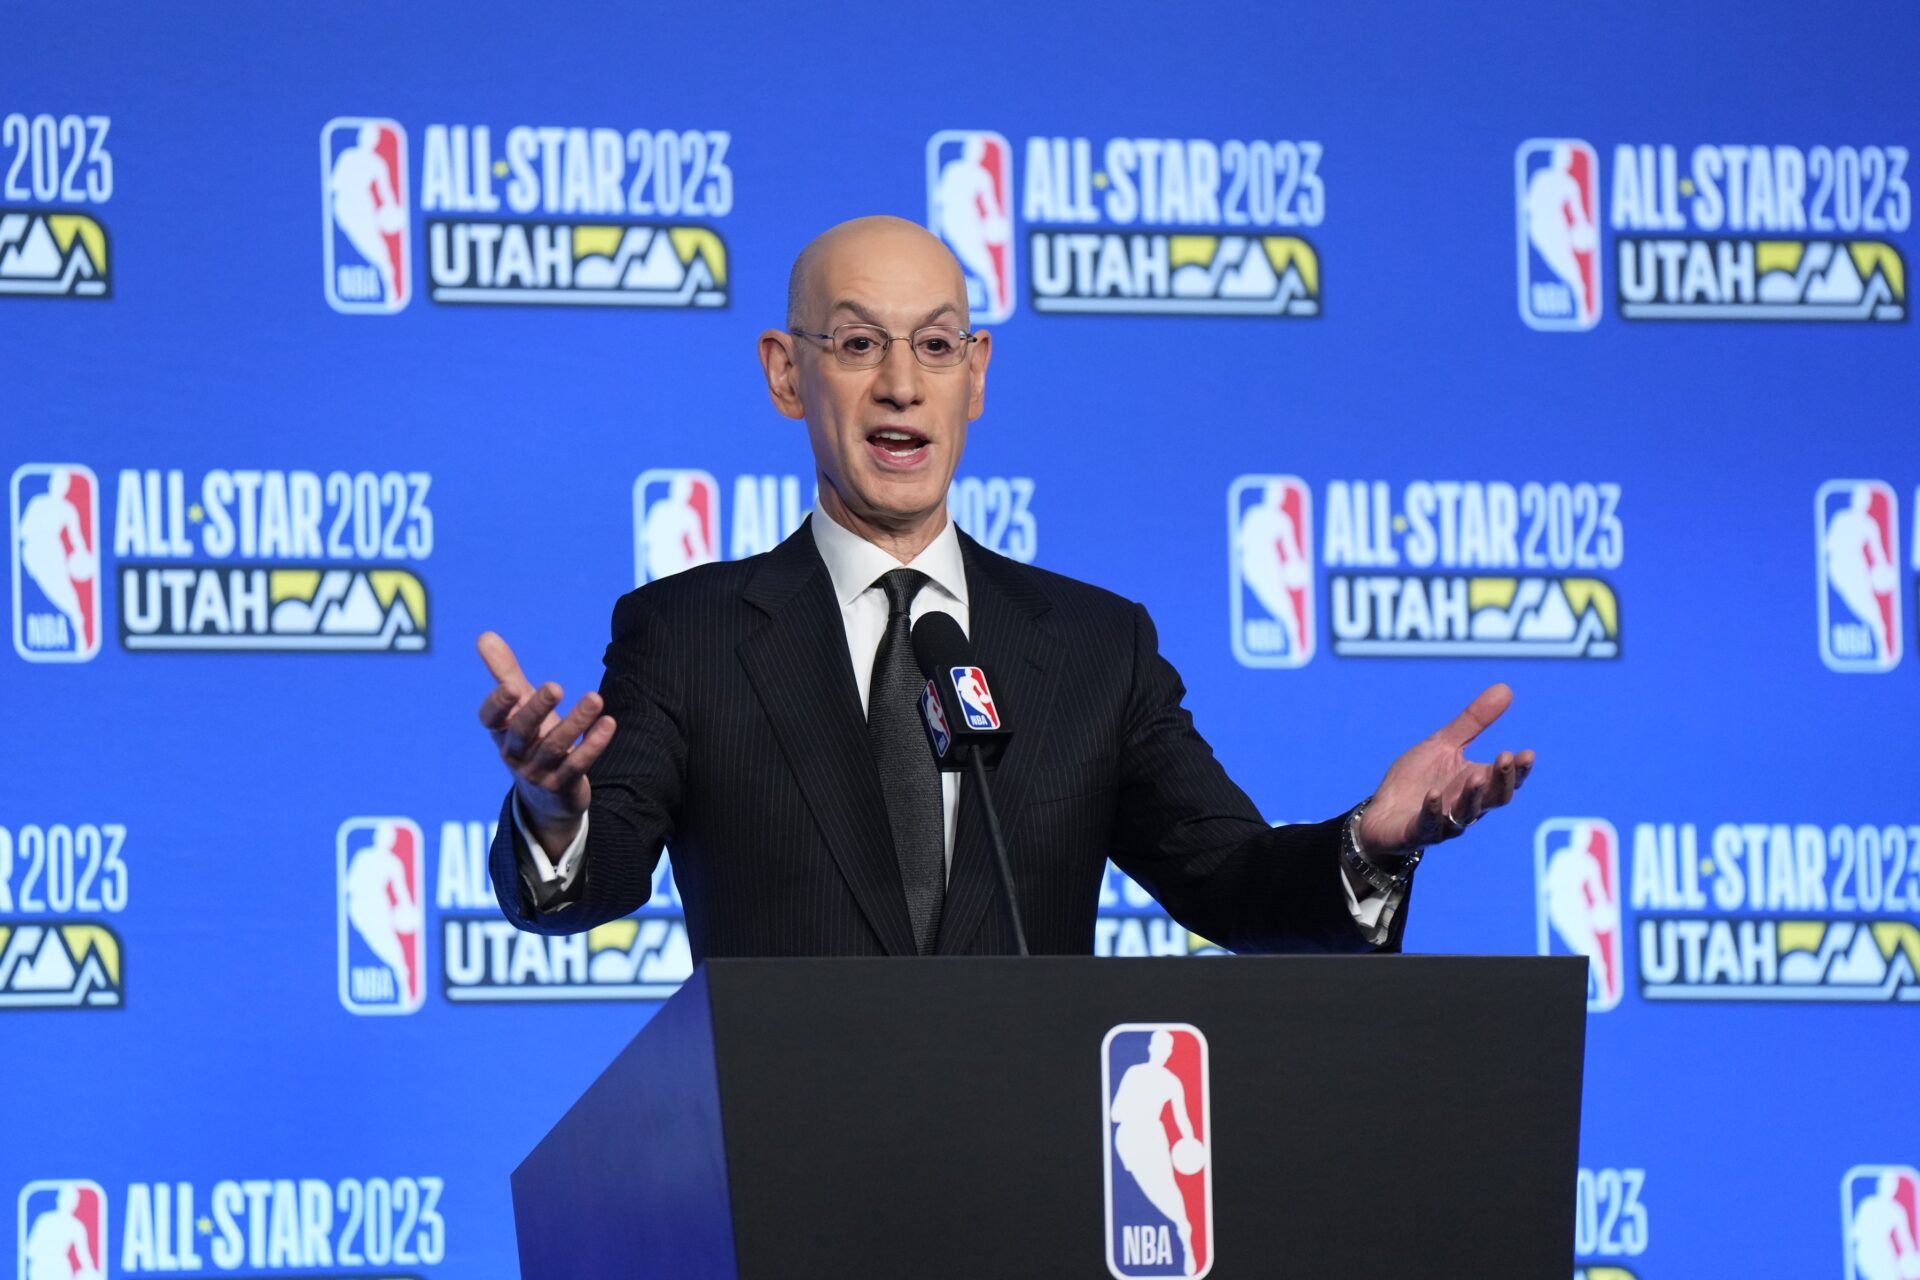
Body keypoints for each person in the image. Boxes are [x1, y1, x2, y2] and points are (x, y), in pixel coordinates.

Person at [477, 215, 1534, 958]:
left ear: (975, 374)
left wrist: (1371, 843)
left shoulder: (1091, 647)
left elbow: (1231, 877)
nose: (901, 380)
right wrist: (552, 810)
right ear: (786, 372)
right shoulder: (688, 633)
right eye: (857, 343)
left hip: (1031, 1182)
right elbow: (592, 879)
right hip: (786, 1174)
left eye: (935, 345)